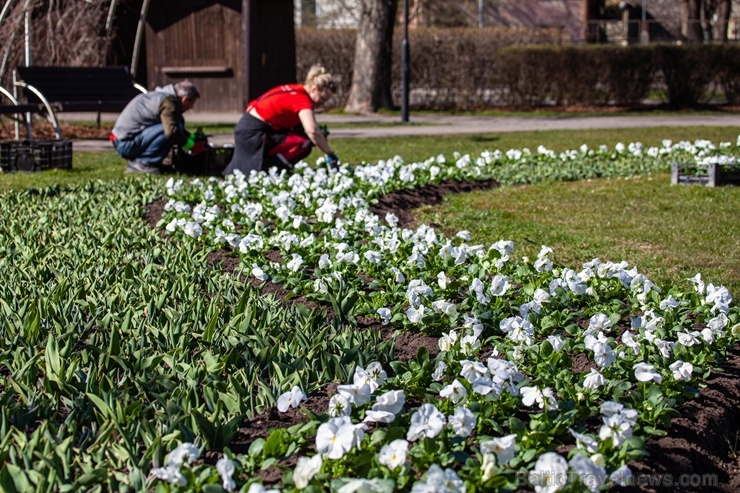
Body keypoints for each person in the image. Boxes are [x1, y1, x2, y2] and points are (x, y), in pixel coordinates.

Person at [222, 65, 339, 176]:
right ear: (314, 89)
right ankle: (270, 170)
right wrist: (329, 154)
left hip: (246, 127)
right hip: (256, 134)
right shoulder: (302, 99)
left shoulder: (294, 89)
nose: (321, 103)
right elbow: (312, 130)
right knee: (305, 142)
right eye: (322, 98)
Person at [111, 80, 207, 173]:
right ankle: (143, 163)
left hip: (121, 140)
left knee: (177, 121)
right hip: (126, 144)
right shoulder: (168, 103)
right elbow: (171, 132)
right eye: (191, 104)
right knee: (171, 129)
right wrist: (192, 146)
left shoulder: (160, 96)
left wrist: (191, 138)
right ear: (184, 99)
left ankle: (147, 161)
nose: (191, 108)